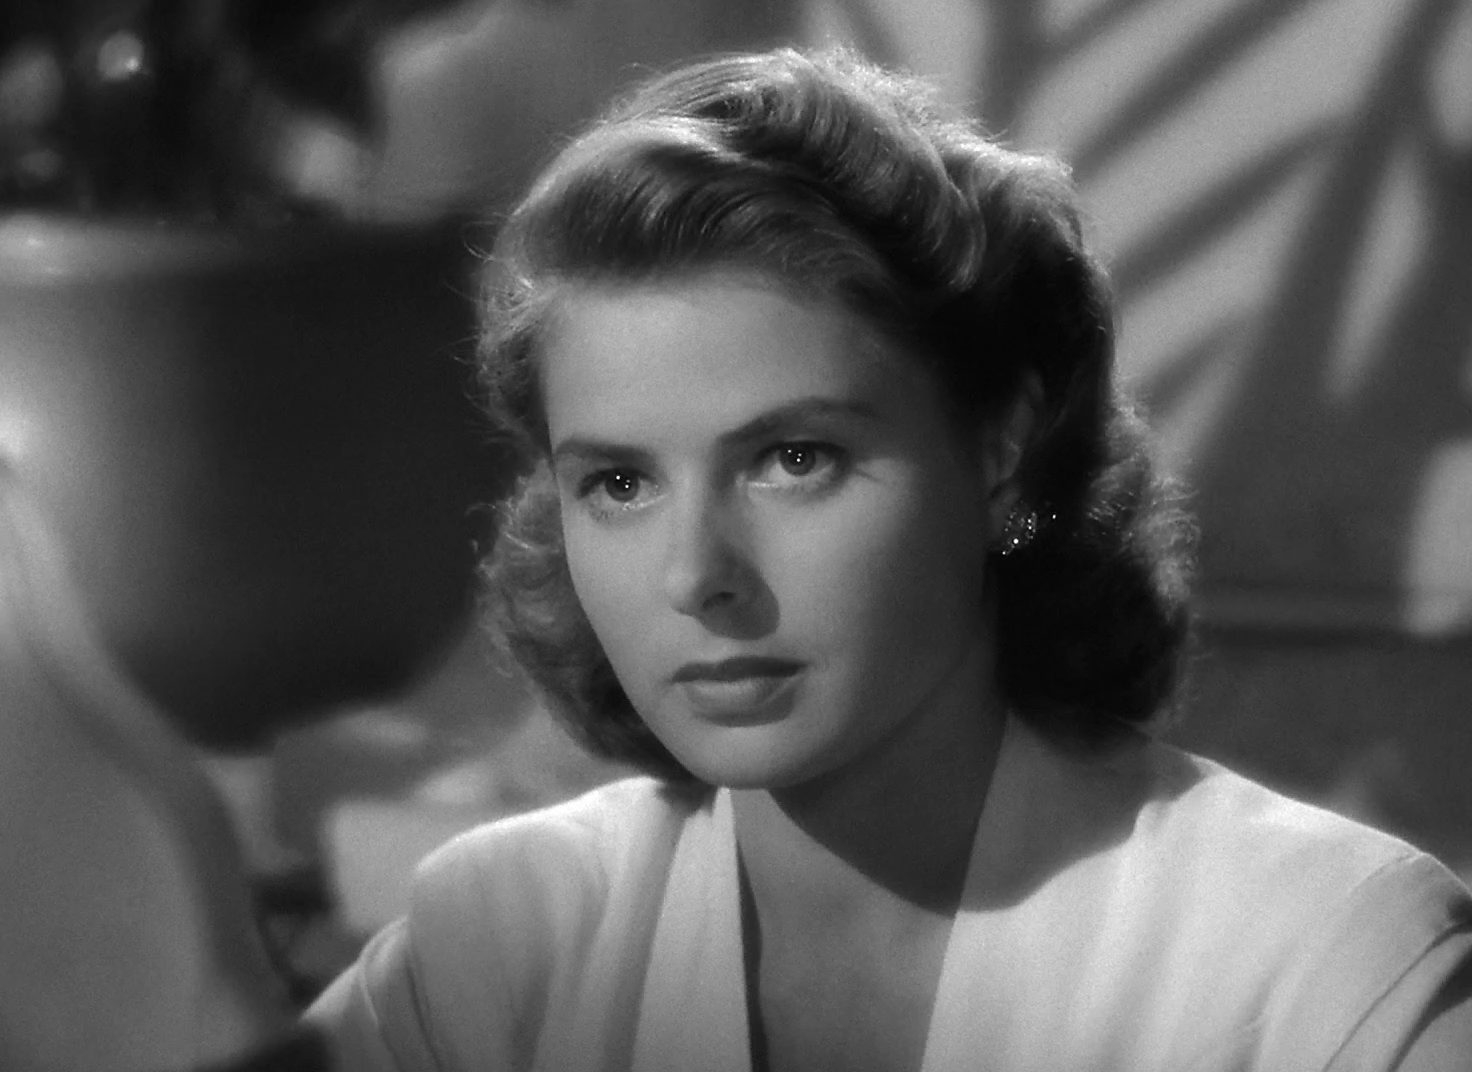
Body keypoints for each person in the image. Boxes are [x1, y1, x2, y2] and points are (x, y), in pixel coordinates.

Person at [305, 48, 1472, 1071]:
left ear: (1000, 451)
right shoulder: (505, 940)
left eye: (792, 459)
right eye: (618, 484)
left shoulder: (1317, 961)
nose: (694, 575)